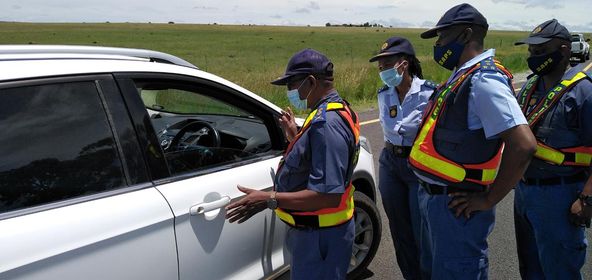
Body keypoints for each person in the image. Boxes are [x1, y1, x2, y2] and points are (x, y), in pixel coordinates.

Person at [408, 3, 537, 279]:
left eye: (443, 37)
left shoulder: (484, 79)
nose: (439, 45)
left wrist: (489, 199)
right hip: (436, 202)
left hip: (456, 209)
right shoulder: (462, 75)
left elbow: (524, 144)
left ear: (465, 35)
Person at [225, 48, 360, 280]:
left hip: (320, 239)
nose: (290, 92)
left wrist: (268, 199)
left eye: (291, 85)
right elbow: (318, 156)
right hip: (317, 234)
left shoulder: (326, 124)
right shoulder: (328, 111)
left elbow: (328, 195)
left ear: (310, 81)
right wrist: (295, 136)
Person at [513, 19, 592, 279]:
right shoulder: (529, 88)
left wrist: (587, 199)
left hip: (560, 194)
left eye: (541, 51)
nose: (534, 57)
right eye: (532, 52)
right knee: (531, 269)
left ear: (565, 50)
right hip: (525, 193)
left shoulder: (584, 92)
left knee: (560, 271)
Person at [368, 36, 435, 280]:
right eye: (380, 66)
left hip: (417, 164)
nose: (382, 70)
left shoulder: (429, 92)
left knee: (422, 230)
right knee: (399, 229)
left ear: (403, 64)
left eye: (386, 65)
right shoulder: (384, 93)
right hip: (390, 163)